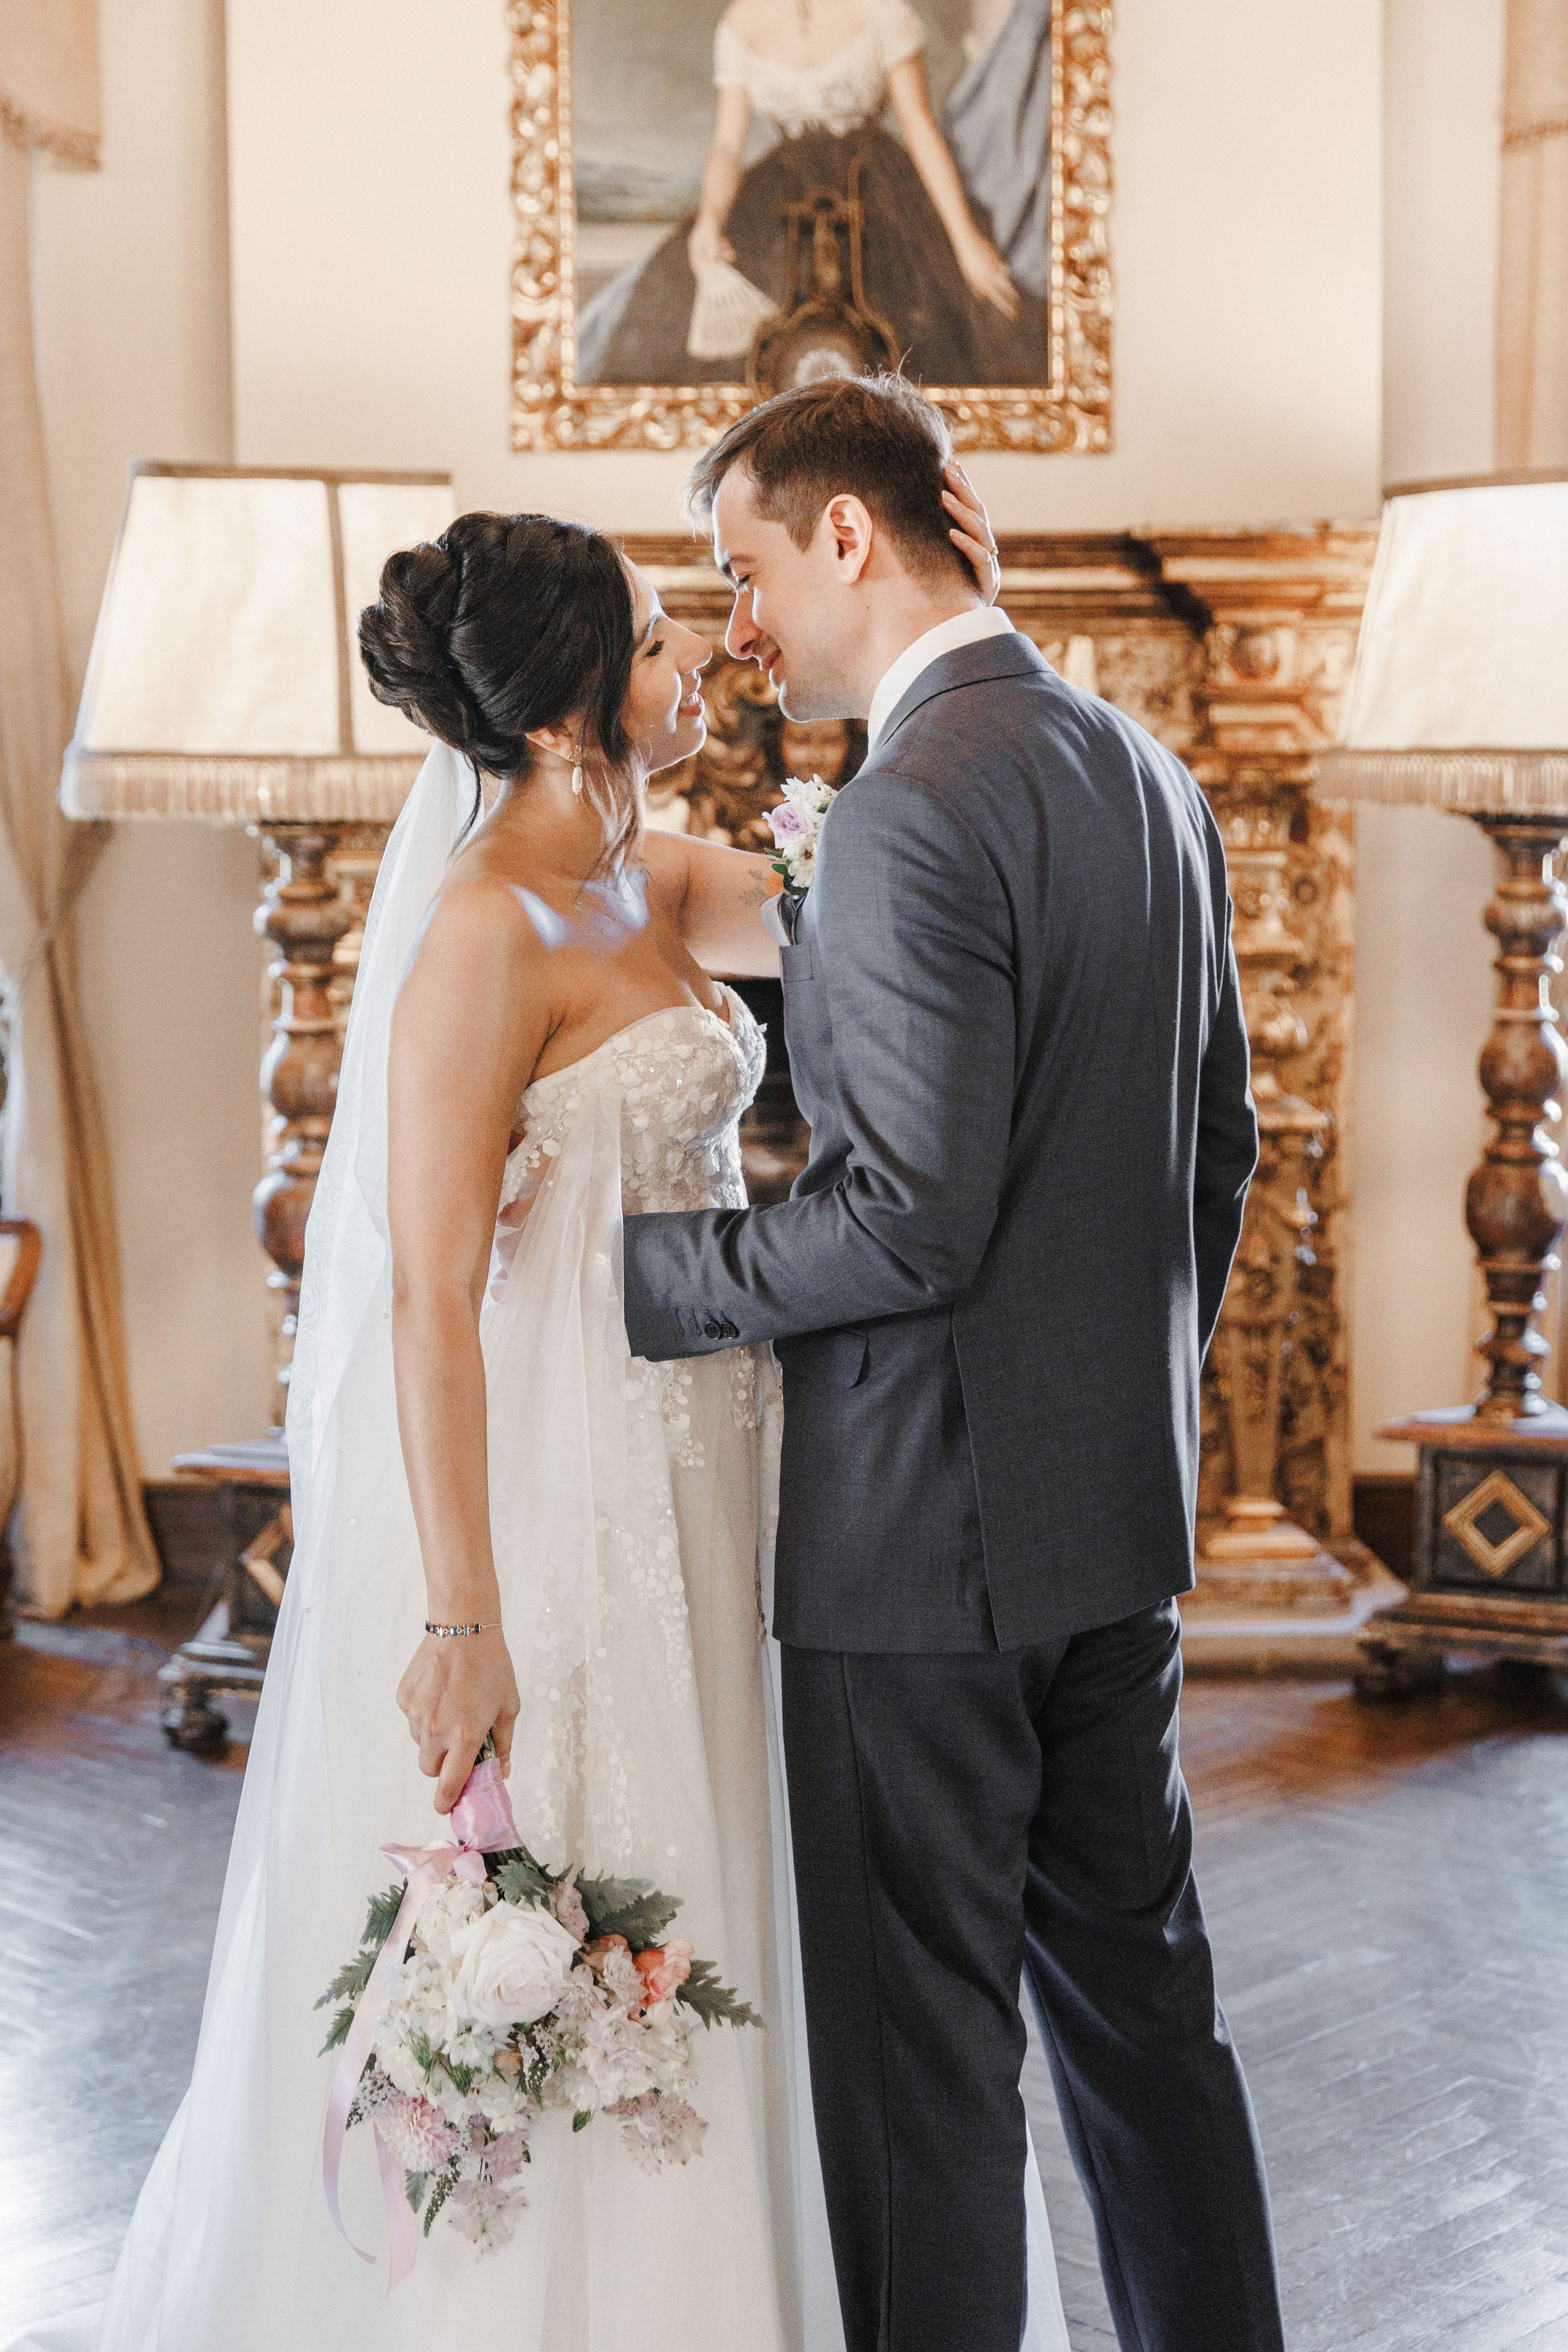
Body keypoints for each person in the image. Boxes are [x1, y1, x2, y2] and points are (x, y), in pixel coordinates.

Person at [14, 483, 1074, 2352]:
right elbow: (428, 1292)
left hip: (723, 1442)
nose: (702, 659)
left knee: (731, 1855)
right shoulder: (481, 938)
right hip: (564, 1456)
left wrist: (939, 668)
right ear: (582, 693)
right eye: (667, 640)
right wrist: (459, 1612)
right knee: (590, 1843)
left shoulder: (656, 875)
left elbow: (875, 912)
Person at [618, 372, 1289, 2352]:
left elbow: (906, 1215)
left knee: (920, 2078)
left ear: (847, 536)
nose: (736, 629)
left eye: (744, 571)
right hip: (1111, 1525)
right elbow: (1221, 1144)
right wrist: (1119, 1389)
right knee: (1147, 2024)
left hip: (921, 1558)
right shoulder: (1145, 773)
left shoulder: (912, 805)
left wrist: (638, 1279)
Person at [579, 0, 1046, 388]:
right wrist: (711, 218)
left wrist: (965, 244)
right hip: (779, 195)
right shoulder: (741, 23)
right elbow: (726, 144)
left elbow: (920, 128)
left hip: (877, 188)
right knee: (681, 288)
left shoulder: (883, 12)